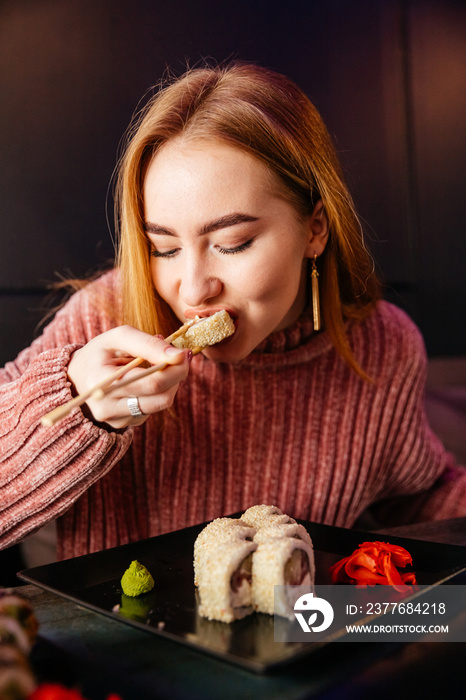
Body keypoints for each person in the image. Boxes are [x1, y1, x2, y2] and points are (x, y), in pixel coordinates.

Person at [1, 63, 465, 561]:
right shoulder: (103, 318)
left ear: (315, 229)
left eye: (233, 243)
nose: (195, 289)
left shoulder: (383, 347)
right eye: (164, 249)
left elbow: (418, 491)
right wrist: (82, 406)